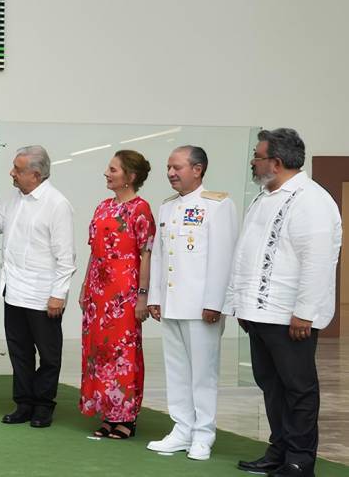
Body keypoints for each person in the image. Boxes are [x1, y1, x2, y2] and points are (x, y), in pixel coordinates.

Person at [229, 129, 342, 477]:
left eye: (257, 156)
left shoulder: (313, 200)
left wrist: (305, 313)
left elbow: (318, 262)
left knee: (298, 391)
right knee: (271, 386)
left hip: (291, 317)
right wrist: (239, 303)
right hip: (258, 312)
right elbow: (245, 255)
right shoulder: (263, 197)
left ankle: (299, 460)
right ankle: (278, 450)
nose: (252, 160)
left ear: (275, 163)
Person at [145, 146, 238, 460]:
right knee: (177, 370)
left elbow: (223, 258)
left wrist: (215, 302)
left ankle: (203, 434)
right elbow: (159, 255)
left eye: (177, 167)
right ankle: (181, 428)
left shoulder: (218, 205)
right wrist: (156, 297)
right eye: (168, 167)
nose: (171, 173)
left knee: (203, 373)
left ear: (197, 169)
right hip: (172, 304)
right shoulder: (167, 207)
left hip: (201, 307)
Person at [0, 145, 76, 428]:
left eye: (17, 169)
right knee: (19, 351)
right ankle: (23, 403)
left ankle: (44, 406)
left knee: (48, 355)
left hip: (43, 294)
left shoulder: (57, 204)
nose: (12, 173)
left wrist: (58, 295)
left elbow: (66, 256)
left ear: (35, 175)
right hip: (13, 290)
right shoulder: (16, 198)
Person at [79, 150, 155, 440]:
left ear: (130, 177)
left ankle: (126, 416)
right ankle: (108, 412)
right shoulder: (102, 207)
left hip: (124, 288)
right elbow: (93, 250)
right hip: (99, 288)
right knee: (98, 350)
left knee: (123, 351)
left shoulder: (141, 209)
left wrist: (142, 296)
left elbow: (146, 255)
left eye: (113, 169)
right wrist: (86, 285)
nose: (107, 173)